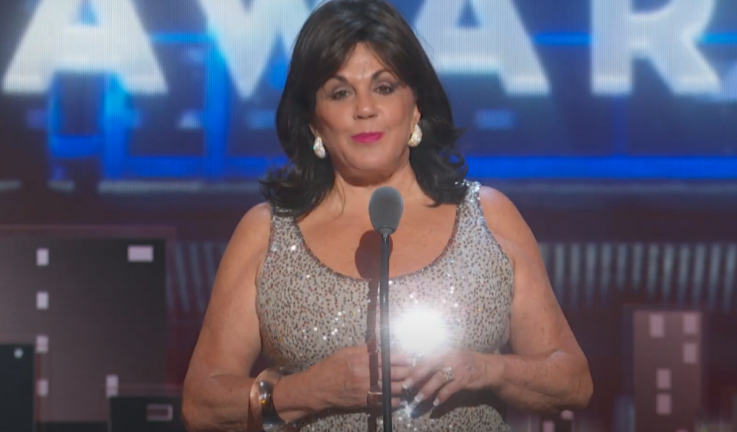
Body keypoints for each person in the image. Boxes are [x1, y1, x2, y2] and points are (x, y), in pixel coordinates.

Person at [182, 0, 593, 430]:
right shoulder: (266, 232)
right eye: (340, 92)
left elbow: (573, 382)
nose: (365, 109)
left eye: (384, 87)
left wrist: (485, 369)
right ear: (312, 123)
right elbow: (201, 403)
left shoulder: (489, 217)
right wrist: (304, 391)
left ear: (415, 106)